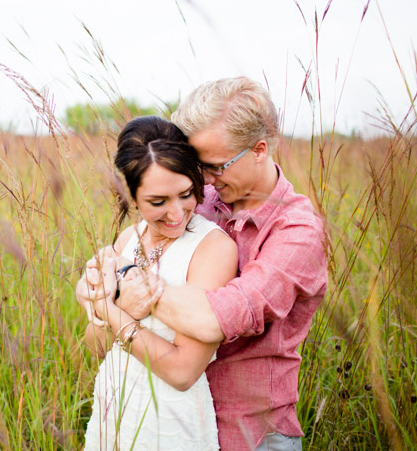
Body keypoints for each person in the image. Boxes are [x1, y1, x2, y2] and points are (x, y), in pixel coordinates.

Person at [78, 77, 327, 451]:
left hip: (250, 432)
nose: (204, 182)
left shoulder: (297, 233)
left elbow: (214, 318)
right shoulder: (196, 198)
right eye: (199, 168)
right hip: (158, 418)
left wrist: (119, 286)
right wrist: (99, 274)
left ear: (259, 149)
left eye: (214, 166)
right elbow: (120, 255)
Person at [82, 115, 238, 451]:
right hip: (114, 405)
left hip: (170, 422)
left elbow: (183, 372)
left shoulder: (213, 250)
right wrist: (110, 306)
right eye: (157, 202)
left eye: (186, 194)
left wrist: (112, 310)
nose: (177, 213)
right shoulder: (126, 239)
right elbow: (95, 347)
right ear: (131, 198)